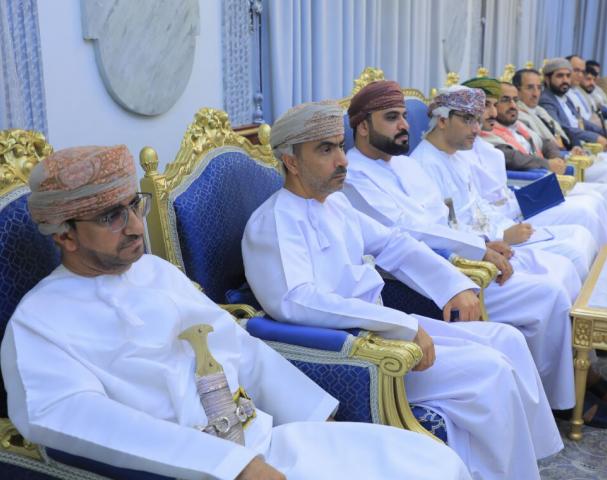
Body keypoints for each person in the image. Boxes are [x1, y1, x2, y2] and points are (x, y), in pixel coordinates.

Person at [1, 145, 474, 480]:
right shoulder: (40, 323)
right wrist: (231, 466)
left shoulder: (157, 272)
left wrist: (314, 415)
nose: (135, 228)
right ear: (64, 234)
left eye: (134, 206)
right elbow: (71, 417)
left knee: (433, 464)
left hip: (267, 442)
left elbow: (241, 347)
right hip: (194, 469)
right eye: (111, 217)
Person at [242, 100, 565, 479]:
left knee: (506, 339)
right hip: (360, 351)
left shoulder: (336, 205)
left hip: (385, 328)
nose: (342, 160)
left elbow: (393, 243)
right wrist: (402, 327)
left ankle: (529, 464)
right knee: (491, 373)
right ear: (291, 162)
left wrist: (453, 286)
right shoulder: (273, 222)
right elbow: (297, 302)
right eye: (325, 150)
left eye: (339, 146)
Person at [342, 80, 578, 414]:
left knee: (557, 276)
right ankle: (561, 400)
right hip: (433, 275)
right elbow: (407, 232)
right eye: (392, 118)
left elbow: (441, 218)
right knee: (548, 295)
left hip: (462, 254)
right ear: (363, 127)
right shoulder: (354, 176)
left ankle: (566, 381)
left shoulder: (404, 163)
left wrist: (483, 244)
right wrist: (477, 250)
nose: (405, 125)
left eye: (404, 116)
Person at [411, 85, 597, 280]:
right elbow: (443, 232)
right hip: (474, 260)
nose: (476, 129)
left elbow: (478, 204)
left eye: (477, 120)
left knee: (579, 236)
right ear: (442, 120)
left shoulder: (457, 156)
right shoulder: (423, 166)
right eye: (468, 120)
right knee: (571, 257)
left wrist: (505, 228)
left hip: (495, 233)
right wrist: (500, 236)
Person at [473, 79, 607, 245]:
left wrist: (558, 158)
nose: (493, 112)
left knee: (595, 201)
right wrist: (547, 165)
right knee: (586, 213)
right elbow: (513, 159)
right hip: (511, 208)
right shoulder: (484, 142)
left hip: (517, 202)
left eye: (514, 100)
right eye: (504, 100)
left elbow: (546, 142)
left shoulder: (515, 127)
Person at [510, 69, 607, 240]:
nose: (536, 93)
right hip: (537, 182)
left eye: (538, 88)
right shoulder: (512, 121)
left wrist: (563, 154)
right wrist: (552, 162)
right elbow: (516, 157)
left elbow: (548, 142)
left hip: (558, 165)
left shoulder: (535, 112)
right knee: (598, 198)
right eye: (530, 88)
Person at [538, 57, 607, 210]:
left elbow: (581, 121)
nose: (565, 80)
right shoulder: (546, 100)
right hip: (573, 154)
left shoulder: (564, 97)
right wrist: (596, 138)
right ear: (547, 79)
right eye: (560, 76)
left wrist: (606, 134)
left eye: (567, 76)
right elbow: (563, 128)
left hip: (583, 149)